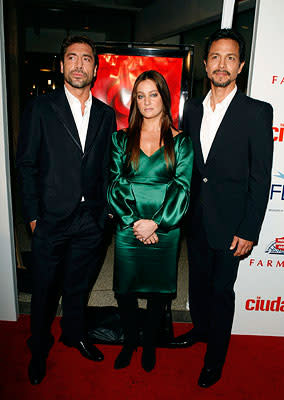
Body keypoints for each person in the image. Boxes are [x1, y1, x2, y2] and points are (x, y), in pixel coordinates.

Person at [175, 29, 273, 388]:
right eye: (215, 57)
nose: (222, 64)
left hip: (232, 225)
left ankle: (215, 358)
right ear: (205, 64)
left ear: (241, 66)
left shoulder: (257, 112)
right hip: (196, 219)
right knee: (198, 286)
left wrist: (249, 229)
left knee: (221, 291)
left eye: (230, 58)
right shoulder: (192, 109)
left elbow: (260, 178)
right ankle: (200, 331)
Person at [16, 35, 116, 385]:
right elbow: (26, 165)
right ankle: (39, 347)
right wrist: (32, 215)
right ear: (61, 65)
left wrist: (106, 212)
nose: (78, 64)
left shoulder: (106, 115)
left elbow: (106, 166)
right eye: (71, 58)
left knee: (78, 286)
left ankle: (74, 333)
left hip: (91, 221)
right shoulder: (40, 108)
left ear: (95, 67)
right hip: (50, 219)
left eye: (86, 59)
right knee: (44, 288)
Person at [108, 70, 193, 372]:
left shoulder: (181, 142)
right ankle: (130, 340)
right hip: (128, 227)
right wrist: (135, 222)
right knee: (125, 291)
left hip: (165, 229)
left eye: (153, 94)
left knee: (158, 293)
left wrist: (156, 223)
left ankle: (149, 344)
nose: (146, 101)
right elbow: (115, 184)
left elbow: (183, 188)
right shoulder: (120, 139)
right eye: (140, 96)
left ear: (164, 98)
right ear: (135, 101)